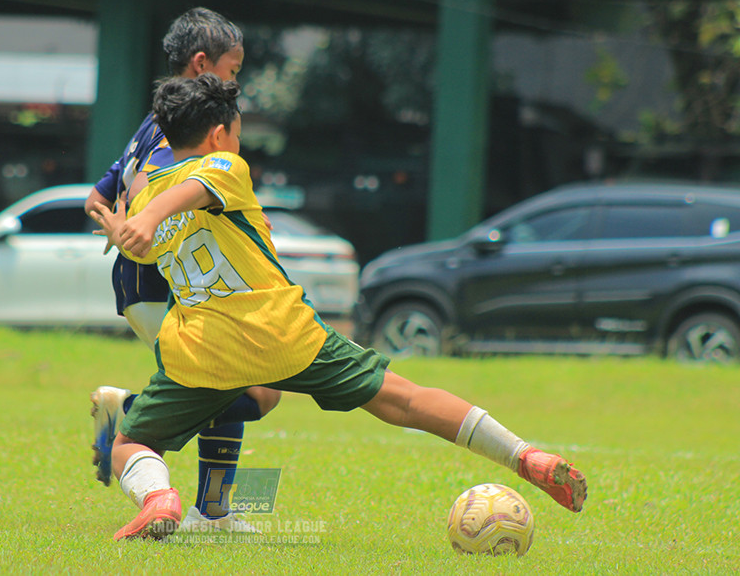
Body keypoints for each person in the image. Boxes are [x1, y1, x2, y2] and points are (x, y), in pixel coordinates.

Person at [89, 73, 588, 541]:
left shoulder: (152, 189)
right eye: (238, 133)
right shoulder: (224, 166)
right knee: (404, 399)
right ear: (220, 134)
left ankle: (159, 497)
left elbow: (151, 235)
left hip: (201, 354)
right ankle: (526, 458)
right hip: (283, 335)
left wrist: (129, 224)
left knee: (128, 444)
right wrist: (144, 219)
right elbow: (193, 191)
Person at [83, 7, 281, 533]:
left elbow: (94, 198)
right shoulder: (180, 130)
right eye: (233, 70)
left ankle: (213, 512)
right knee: (254, 390)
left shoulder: (154, 120)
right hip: (164, 281)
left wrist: (121, 226)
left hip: (144, 280)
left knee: (235, 386)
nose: (236, 82)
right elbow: (155, 179)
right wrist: (142, 226)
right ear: (202, 64)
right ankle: (129, 411)